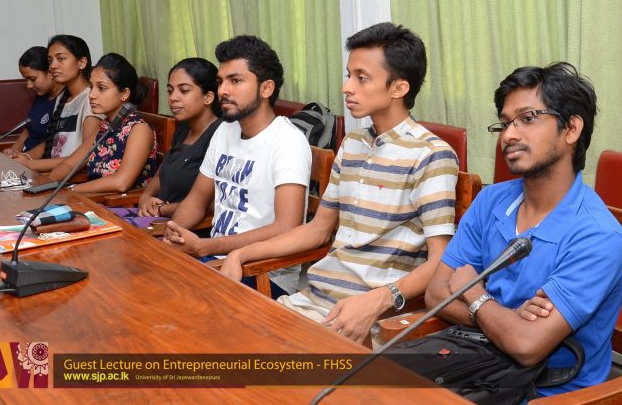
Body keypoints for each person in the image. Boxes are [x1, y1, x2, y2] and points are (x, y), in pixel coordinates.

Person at [220, 22, 459, 344]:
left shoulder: (430, 154)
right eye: (349, 75)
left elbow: (441, 261)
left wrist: (381, 299)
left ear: (398, 88)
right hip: (313, 302)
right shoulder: (354, 143)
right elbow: (318, 230)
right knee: (209, 334)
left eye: (361, 78)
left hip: (367, 319)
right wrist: (240, 254)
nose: (347, 87)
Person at [425, 62, 622, 397]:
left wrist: (474, 294)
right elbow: (435, 294)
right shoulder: (490, 201)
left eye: (528, 118)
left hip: (547, 392)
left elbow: (526, 345)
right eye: (505, 123)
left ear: (571, 129)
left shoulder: (598, 236)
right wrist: (502, 319)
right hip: (477, 367)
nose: (509, 135)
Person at [163, 36, 311, 296]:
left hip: (262, 274)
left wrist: (206, 247)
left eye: (235, 81)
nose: (223, 91)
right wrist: (173, 233)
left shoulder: (287, 142)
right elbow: (197, 200)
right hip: (214, 260)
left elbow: (286, 227)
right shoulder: (225, 131)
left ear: (266, 88)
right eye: (221, 81)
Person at [110, 58, 222, 227]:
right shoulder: (184, 127)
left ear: (208, 97)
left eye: (184, 91)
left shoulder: (220, 135)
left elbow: (213, 203)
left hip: (181, 226)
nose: (173, 98)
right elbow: (160, 174)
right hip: (155, 216)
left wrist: (162, 209)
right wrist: (146, 196)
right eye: (170, 91)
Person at [49, 53, 157, 194]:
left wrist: (73, 190)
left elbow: (121, 182)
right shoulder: (104, 127)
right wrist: (48, 187)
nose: (91, 95)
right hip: (92, 199)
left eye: (102, 88)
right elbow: (69, 164)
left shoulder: (139, 129)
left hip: (119, 204)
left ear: (124, 94)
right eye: (91, 87)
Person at [12, 35, 101, 171]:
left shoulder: (91, 100)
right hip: (55, 172)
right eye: (50, 60)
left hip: (73, 176)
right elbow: (51, 142)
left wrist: (30, 165)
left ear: (82, 63)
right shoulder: (62, 99)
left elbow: (86, 156)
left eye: (61, 59)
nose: (53, 66)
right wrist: (25, 157)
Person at [3, 46, 65, 158]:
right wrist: (13, 150)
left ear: (51, 72)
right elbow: (30, 128)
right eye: (26, 79)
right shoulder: (41, 95)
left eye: (32, 79)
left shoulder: (66, 100)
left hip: (39, 162)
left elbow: (53, 142)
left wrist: (25, 158)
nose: (29, 85)